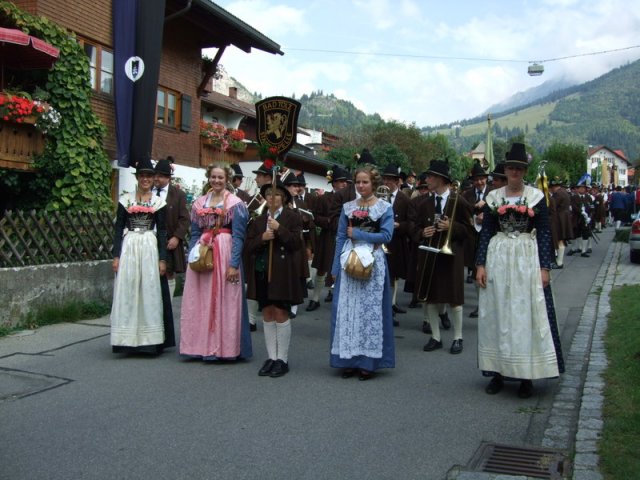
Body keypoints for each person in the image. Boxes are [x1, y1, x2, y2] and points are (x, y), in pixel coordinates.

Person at [476, 143, 564, 398]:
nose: (514, 172)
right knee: (498, 312)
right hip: (499, 257)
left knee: (525, 314)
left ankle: (526, 375)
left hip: (526, 257)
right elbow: (486, 233)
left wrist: (544, 267)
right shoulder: (493, 197)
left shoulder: (536, 197)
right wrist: (480, 264)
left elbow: (545, 232)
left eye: (519, 168)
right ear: (505, 170)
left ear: (524, 171)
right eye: (511, 168)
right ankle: (498, 372)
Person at [179, 162, 252, 361]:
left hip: (225, 252)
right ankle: (198, 346)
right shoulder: (199, 202)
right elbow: (194, 233)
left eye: (221, 177)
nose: (217, 180)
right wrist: (191, 258)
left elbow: (239, 236)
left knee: (225, 299)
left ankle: (224, 347)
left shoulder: (235, 203)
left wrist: (234, 264)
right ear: (208, 178)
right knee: (199, 300)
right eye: (213, 177)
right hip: (203, 252)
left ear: (227, 179)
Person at [330, 164, 395, 380]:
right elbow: (340, 236)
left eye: (365, 181)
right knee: (348, 310)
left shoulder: (384, 207)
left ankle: (368, 361)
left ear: (373, 183)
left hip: (373, 261)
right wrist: (334, 268)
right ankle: (348, 360)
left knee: (369, 310)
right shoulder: (348, 207)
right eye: (358, 181)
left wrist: (358, 233)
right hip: (349, 260)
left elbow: (386, 236)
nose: (361, 185)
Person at [110, 157, 175, 354]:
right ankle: (127, 338)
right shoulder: (125, 200)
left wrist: (162, 259)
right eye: (142, 175)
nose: (146, 179)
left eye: (149, 175)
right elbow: (118, 227)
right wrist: (116, 255)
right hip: (129, 247)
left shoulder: (158, 203)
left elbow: (162, 231)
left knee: (149, 289)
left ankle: (150, 340)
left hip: (148, 247)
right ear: (137, 178)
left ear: (153, 178)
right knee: (128, 289)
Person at [244, 179, 304, 378]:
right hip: (263, 271)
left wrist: (279, 229)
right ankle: (271, 357)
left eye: (277, 194)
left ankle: (282, 360)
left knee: (280, 313)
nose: (272, 198)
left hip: (283, 272)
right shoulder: (259, 220)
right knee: (268, 313)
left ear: (284, 197)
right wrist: (262, 238)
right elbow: (248, 246)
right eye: (269, 194)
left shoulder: (293, 217)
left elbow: (296, 244)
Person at [414, 160, 474, 354]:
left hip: (451, 255)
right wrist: (423, 232)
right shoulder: (424, 204)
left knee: (454, 297)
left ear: (441, 179)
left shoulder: (460, 201)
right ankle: (436, 337)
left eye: (430, 176)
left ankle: (458, 338)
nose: (427, 179)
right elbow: (413, 228)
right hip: (429, 253)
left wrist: (452, 227)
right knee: (430, 296)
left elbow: (469, 231)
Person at [307, 165, 350, 311]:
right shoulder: (324, 198)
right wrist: (328, 222)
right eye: (341, 181)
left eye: (346, 181)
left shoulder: (350, 198)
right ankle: (315, 298)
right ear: (334, 183)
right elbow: (315, 217)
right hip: (328, 237)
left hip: (345, 238)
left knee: (343, 269)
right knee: (321, 268)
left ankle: (339, 298)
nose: (345, 183)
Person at [153, 157, 190, 299]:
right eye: (155, 175)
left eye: (161, 176)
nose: (157, 178)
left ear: (168, 178)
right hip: (151, 238)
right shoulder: (148, 191)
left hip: (170, 239)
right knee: (152, 271)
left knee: (168, 272)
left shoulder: (178, 194)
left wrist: (177, 237)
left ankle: (167, 302)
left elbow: (185, 218)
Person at [381, 164, 413, 319]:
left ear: (397, 181)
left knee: (393, 276)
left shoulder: (405, 199)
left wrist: (399, 225)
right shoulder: (377, 195)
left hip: (396, 242)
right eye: (385, 179)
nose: (386, 182)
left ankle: (389, 307)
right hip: (379, 241)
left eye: (390, 180)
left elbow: (411, 223)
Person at [462, 160, 491, 317]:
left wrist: (486, 214)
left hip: (489, 237)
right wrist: (474, 211)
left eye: (482, 179)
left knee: (489, 269)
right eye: (476, 179)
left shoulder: (493, 193)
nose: (480, 182)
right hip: (472, 237)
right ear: (472, 181)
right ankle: (480, 305)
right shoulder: (467, 194)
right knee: (474, 271)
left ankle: (489, 305)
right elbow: (464, 213)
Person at [548, 178, 573, 269]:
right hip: (564, 217)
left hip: (559, 218)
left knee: (559, 239)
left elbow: (553, 206)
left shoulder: (557, 194)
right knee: (561, 239)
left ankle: (559, 262)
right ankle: (559, 261)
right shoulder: (564, 192)